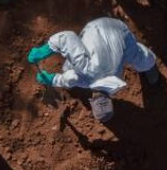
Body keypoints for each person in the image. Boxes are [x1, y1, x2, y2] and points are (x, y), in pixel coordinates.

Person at [28, 17, 159, 123]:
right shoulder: (84, 72)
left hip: (119, 33)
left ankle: (149, 64)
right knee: (137, 56)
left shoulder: (115, 82)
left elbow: (72, 79)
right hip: (104, 29)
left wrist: (53, 79)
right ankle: (149, 64)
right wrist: (46, 52)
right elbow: (67, 38)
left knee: (135, 54)